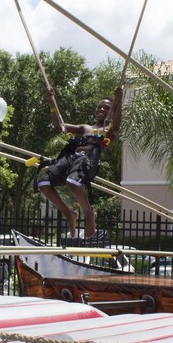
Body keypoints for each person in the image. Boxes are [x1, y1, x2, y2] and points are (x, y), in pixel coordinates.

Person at [36, 85, 123, 240]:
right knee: (43, 182)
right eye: (99, 107)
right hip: (69, 159)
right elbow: (59, 126)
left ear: (112, 111)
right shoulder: (85, 128)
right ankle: (69, 214)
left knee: (72, 181)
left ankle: (89, 213)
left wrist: (119, 100)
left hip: (87, 162)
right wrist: (51, 101)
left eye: (107, 108)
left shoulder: (108, 130)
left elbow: (116, 126)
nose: (102, 109)